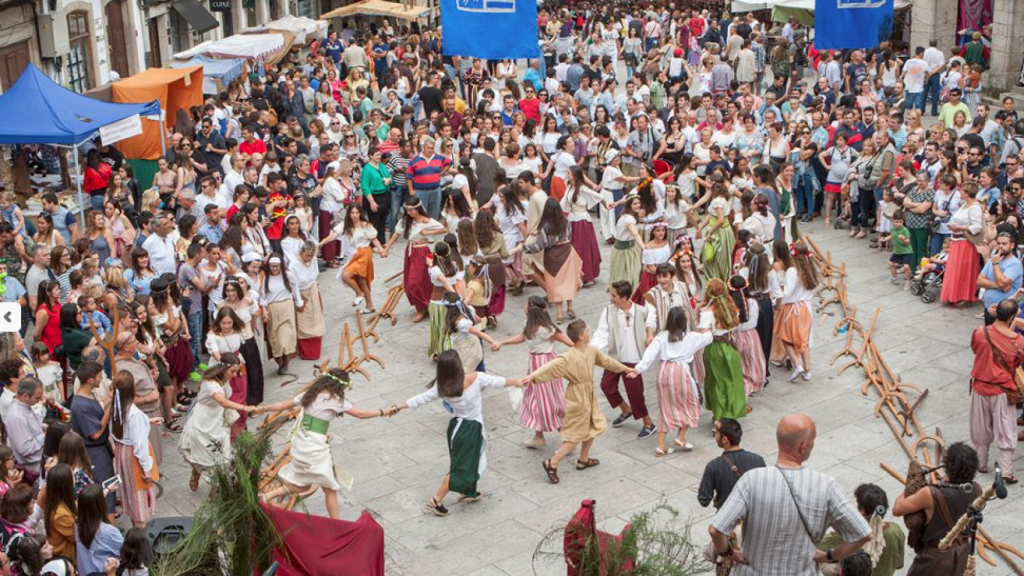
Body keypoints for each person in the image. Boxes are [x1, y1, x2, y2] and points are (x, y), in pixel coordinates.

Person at [709, 414, 872, 574]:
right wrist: (829, 556)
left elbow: (716, 530)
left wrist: (729, 553)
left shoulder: (752, 479)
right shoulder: (825, 486)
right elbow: (863, 534)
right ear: (804, 446)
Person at [389, 351, 521, 516]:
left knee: (468, 461)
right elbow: (499, 381)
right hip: (470, 429)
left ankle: (467, 491)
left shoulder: (442, 387)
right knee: (462, 466)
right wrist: (518, 381)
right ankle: (436, 500)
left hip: (457, 428)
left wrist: (397, 407)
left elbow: (420, 398)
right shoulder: (476, 378)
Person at [258, 368, 392, 519]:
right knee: (329, 489)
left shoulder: (309, 394)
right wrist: (383, 412)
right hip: (314, 446)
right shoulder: (334, 400)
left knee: (303, 484)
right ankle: (336, 523)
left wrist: (262, 409)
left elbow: (284, 404)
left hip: (302, 442)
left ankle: (265, 496)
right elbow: (360, 414)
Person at [525, 319, 637, 484]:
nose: (589, 332)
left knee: (592, 425)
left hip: (588, 394)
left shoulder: (591, 350)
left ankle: (583, 459)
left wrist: (625, 369)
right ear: (581, 337)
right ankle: (553, 462)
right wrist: (531, 377)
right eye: (586, 331)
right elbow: (548, 368)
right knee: (576, 433)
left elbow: (606, 362)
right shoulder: (567, 357)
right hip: (577, 397)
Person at [491, 297, 572, 448]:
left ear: (530, 308)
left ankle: (566, 436)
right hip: (536, 364)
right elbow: (522, 337)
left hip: (545, 365)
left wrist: (567, 360)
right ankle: (540, 435)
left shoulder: (547, 330)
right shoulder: (529, 324)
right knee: (537, 398)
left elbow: (570, 343)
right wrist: (502, 342)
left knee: (548, 400)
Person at [633, 306, 712, 456]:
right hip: (681, 372)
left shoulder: (661, 336)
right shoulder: (691, 337)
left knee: (665, 407)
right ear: (684, 322)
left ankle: (660, 445)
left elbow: (649, 355)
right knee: (691, 404)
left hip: (664, 372)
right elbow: (708, 337)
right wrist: (705, 318)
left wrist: (637, 369)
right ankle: (681, 437)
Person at [893, 442, 981, 575]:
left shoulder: (930, 493)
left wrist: (912, 486)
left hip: (935, 558)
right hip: (962, 552)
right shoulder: (976, 489)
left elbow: (897, 509)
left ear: (947, 466)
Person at [179, 354, 254, 492]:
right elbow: (221, 400)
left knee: (221, 456)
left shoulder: (224, 381)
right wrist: (244, 407)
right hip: (204, 420)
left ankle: (216, 489)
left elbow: (224, 402)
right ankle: (196, 472)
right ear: (222, 369)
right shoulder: (211, 383)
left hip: (218, 420)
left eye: (236, 371)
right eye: (232, 371)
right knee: (203, 452)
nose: (234, 374)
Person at [591, 280, 656, 438]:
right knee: (607, 386)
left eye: (614, 295)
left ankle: (648, 423)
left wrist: (649, 335)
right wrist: (590, 350)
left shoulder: (640, 311)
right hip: (615, 358)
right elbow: (601, 333)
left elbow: (652, 318)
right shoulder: (608, 311)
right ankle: (626, 410)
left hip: (633, 360)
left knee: (635, 393)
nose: (611, 298)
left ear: (625, 297)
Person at [969, 298, 1024, 482]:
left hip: (979, 387)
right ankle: (1006, 471)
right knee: (1006, 430)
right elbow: (1016, 363)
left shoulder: (979, 332)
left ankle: (981, 463)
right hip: (1002, 391)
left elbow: (976, 350)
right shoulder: (1018, 341)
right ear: (1011, 317)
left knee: (980, 428)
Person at [818, 483, 906, 576]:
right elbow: (899, 565)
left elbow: (816, 549)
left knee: (823, 563)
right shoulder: (895, 531)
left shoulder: (850, 532)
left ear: (862, 512)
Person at [383, 199, 447, 323]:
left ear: (418, 209)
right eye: (407, 210)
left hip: (423, 253)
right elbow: (396, 234)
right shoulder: (406, 221)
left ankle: (425, 306)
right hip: (410, 252)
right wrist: (387, 248)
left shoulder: (427, 221)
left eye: (411, 210)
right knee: (409, 283)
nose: (409, 212)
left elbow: (443, 229)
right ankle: (421, 307)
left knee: (418, 282)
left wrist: (429, 232)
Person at [110, 372, 159, 529]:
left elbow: (125, 430)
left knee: (130, 491)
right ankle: (140, 533)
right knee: (139, 494)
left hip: (121, 451)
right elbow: (140, 444)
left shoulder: (116, 408)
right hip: (133, 456)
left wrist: (148, 421)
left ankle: (136, 525)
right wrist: (147, 468)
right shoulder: (134, 413)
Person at [319, 203, 387, 314]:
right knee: (361, 280)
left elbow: (374, 239)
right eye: (352, 212)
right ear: (348, 213)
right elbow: (333, 235)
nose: (354, 215)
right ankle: (370, 306)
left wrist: (381, 250)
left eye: (357, 212)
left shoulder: (365, 225)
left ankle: (359, 294)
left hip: (364, 253)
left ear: (360, 213)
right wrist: (322, 243)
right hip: (354, 254)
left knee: (346, 275)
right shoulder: (345, 224)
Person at [523, 197, 582, 322]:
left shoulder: (545, 227)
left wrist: (524, 247)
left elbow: (540, 246)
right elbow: (570, 236)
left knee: (555, 284)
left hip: (552, 257)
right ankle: (570, 307)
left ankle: (559, 314)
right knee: (569, 281)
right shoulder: (566, 222)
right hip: (567, 252)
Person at [699, 278, 747, 421]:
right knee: (731, 380)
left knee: (716, 383)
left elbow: (703, 334)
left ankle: (719, 418)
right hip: (730, 347)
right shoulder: (732, 308)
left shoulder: (707, 312)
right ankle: (731, 412)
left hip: (715, 349)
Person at [698, 418, 766, 509]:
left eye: (716, 433)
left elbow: (704, 500)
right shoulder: (758, 460)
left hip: (726, 519)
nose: (714, 435)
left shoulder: (714, 466)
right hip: (751, 518)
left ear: (725, 439)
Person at [775, 240, 820, 381]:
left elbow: (787, 293)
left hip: (792, 309)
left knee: (786, 338)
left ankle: (797, 364)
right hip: (806, 308)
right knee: (804, 341)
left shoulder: (792, 271)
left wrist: (776, 297)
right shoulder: (809, 267)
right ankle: (808, 371)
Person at [940, 181, 985, 305]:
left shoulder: (974, 207)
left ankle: (964, 296)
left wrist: (960, 228)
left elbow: (977, 227)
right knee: (953, 271)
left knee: (963, 271)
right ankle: (953, 295)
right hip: (955, 241)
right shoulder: (964, 205)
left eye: (962, 191)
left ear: (966, 193)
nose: (960, 192)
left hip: (966, 243)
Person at [260, 255, 300, 376]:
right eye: (272, 266)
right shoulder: (266, 279)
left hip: (287, 307)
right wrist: (264, 309)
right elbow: (262, 297)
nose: (275, 269)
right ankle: (280, 362)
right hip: (273, 309)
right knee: (275, 339)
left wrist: (299, 302)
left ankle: (286, 361)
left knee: (286, 338)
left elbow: (295, 289)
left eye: (277, 266)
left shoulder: (288, 276)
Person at [74, 484, 124, 576]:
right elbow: (127, 551)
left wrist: (108, 489)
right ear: (101, 504)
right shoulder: (109, 532)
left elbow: (89, 502)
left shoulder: (77, 526)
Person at [978, 232, 1023, 325]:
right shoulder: (993, 259)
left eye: (1004, 244)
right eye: (998, 243)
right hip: (989, 308)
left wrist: (995, 264)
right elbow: (979, 281)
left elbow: (1002, 283)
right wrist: (999, 286)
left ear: (1012, 245)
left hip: (1006, 313)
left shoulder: (1015, 264)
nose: (1000, 246)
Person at [42, 463, 78, 562]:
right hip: (64, 558)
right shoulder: (61, 514)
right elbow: (77, 536)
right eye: (73, 476)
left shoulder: (56, 501)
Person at [6, 378, 44, 472]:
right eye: (37, 398)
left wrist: (42, 427)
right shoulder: (16, 416)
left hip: (38, 461)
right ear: (25, 396)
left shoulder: (25, 406)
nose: (39, 401)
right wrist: (45, 436)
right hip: (32, 467)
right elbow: (24, 449)